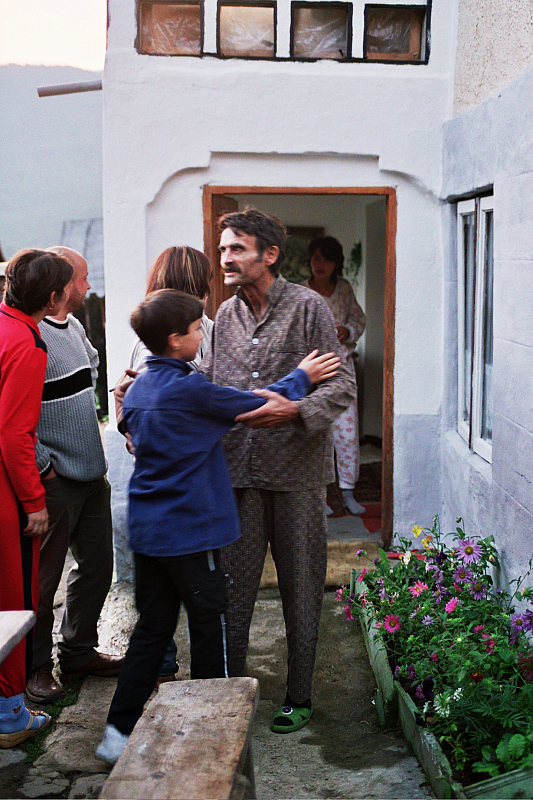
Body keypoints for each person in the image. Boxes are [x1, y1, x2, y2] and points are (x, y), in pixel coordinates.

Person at [96, 289, 339, 763]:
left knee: (151, 633)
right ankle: (211, 740)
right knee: (214, 635)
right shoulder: (188, 389)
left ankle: (116, 733)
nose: (202, 335)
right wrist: (302, 377)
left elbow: (131, 429)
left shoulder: (141, 386)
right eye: (195, 329)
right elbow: (250, 406)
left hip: (148, 535)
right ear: (175, 340)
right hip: (192, 533)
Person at [201, 207, 356, 733]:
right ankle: (231, 695)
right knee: (233, 592)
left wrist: (296, 408)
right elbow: (215, 383)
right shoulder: (225, 316)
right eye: (223, 248)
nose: (226, 257)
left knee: (302, 588)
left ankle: (299, 695)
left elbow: (341, 387)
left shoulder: (310, 307)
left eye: (237, 248)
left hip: (297, 475)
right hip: (238, 476)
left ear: (269, 255)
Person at [25, 247, 123, 706]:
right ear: (61, 286)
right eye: (82, 279)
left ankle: (78, 652)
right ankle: (37, 668)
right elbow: (16, 418)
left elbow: (92, 367)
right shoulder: (30, 332)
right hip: (57, 478)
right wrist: (46, 466)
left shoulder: (75, 326)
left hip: (91, 471)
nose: (87, 287)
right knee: (44, 582)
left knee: (97, 567)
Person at [116, 245, 214, 684]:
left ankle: (164, 666)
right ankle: (196, 675)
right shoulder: (195, 332)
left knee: (159, 585)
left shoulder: (152, 333)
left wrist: (130, 428)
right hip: (192, 476)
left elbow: (130, 405)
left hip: (158, 476)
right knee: (197, 583)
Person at [0, 249, 72, 748]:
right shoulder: (27, 344)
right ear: (52, 298)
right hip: (6, 490)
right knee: (14, 598)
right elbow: (13, 435)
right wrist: (34, 502)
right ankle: (9, 715)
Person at [302, 236, 366, 517]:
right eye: (316, 258)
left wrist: (348, 331)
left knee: (347, 432)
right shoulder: (301, 293)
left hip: (342, 371)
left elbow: (359, 319)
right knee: (317, 432)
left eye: (326, 259)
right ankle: (321, 495)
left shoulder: (344, 289)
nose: (320, 264)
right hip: (313, 372)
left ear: (336, 263)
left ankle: (348, 491)